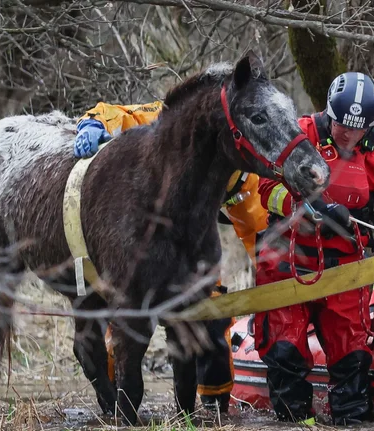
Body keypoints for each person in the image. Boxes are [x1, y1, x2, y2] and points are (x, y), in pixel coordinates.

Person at [74, 101, 267, 413]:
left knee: (212, 323)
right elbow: (122, 114)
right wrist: (94, 123)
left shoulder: (244, 171)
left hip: (193, 254)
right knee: (125, 327)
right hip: (141, 246)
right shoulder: (175, 122)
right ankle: (114, 407)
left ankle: (210, 410)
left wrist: (279, 287)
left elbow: (260, 233)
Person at [253, 72, 374, 426]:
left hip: (345, 270)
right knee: (285, 352)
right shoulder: (297, 135)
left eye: (357, 129)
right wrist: (308, 208)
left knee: (352, 359)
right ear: (328, 112)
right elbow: (268, 188)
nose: (347, 134)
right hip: (288, 263)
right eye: (342, 124)